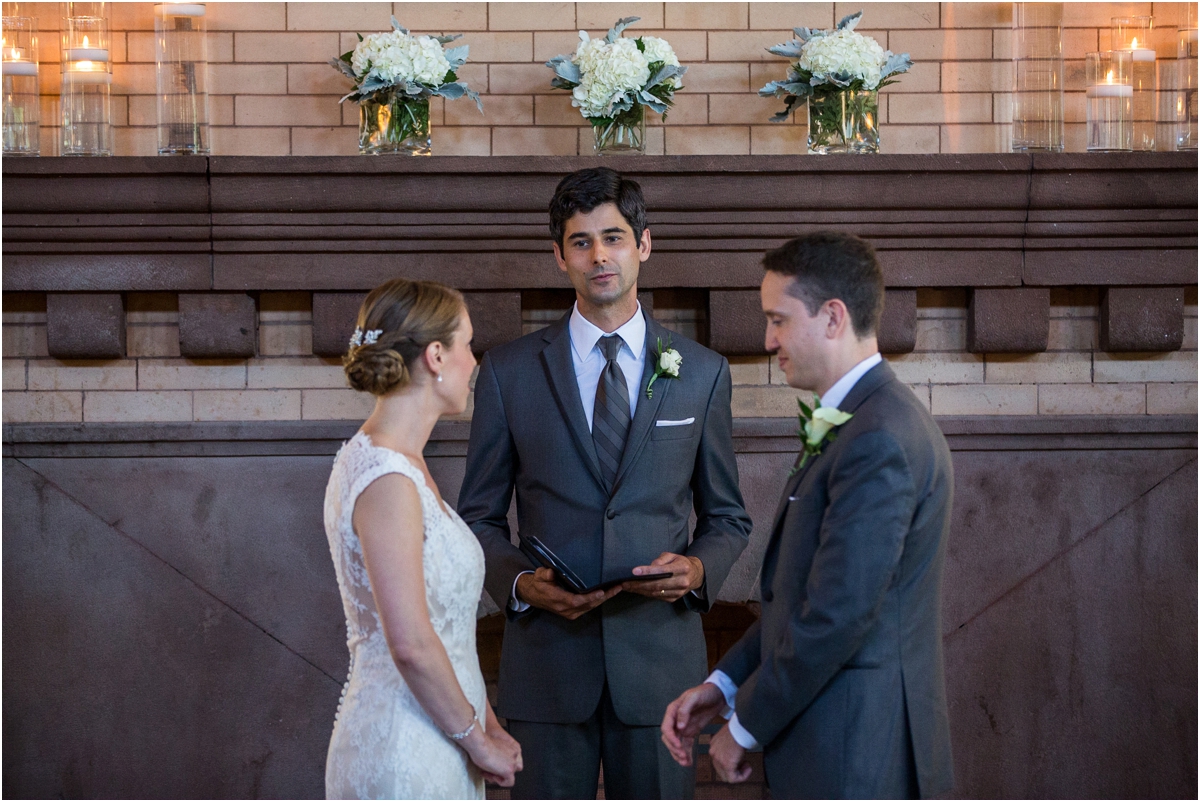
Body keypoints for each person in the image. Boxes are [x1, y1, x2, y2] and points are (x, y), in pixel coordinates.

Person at [457, 167, 752, 799]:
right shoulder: (509, 374)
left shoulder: (701, 373)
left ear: (644, 244)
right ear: (558, 255)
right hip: (546, 669)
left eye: (613, 237)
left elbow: (727, 517)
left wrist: (699, 572)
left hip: (659, 673)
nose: (600, 256)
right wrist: (517, 582)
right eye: (582, 241)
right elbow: (477, 517)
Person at [661, 232, 955, 799]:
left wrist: (745, 725)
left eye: (779, 319)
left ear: (833, 317)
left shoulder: (878, 438)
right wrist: (724, 686)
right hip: (837, 739)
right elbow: (795, 596)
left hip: (858, 751)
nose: (769, 339)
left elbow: (836, 614)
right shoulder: (854, 421)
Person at [323, 279, 522, 799]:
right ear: (436, 355)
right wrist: (477, 741)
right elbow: (410, 642)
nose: (474, 363)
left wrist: (488, 720)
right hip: (403, 750)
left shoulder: (402, 464)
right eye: (467, 345)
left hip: (437, 736)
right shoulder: (386, 479)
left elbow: (445, 630)